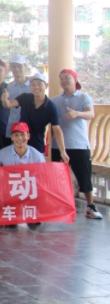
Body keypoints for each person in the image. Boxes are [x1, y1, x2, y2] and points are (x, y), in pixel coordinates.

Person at [52, 69, 102, 219]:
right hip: (58, 146)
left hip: (79, 145)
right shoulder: (55, 100)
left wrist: (77, 113)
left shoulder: (83, 97)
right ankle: (60, 206)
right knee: (58, 178)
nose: (64, 81)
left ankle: (90, 206)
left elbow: (91, 114)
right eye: (61, 78)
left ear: (75, 80)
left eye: (67, 78)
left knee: (84, 177)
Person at [1, 72, 68, 160]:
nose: (36, 87)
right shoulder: (25, 97)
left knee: (37, 168)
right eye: (33, 85)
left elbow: (56, 129)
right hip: (20, 144)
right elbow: (8, 105)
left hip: (37, 146)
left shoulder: (51, 106)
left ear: (46, 86)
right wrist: (5, 99)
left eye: (39, 84)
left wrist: (63, 151)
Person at [5, 55, 30, 141]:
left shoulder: (32, 86)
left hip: (28, 128)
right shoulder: (9, 87)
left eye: (19, 66)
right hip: (13, 126)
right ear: (10, 68)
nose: (16, 69)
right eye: (13, 66)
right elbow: (8, 108)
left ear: (25, 67)